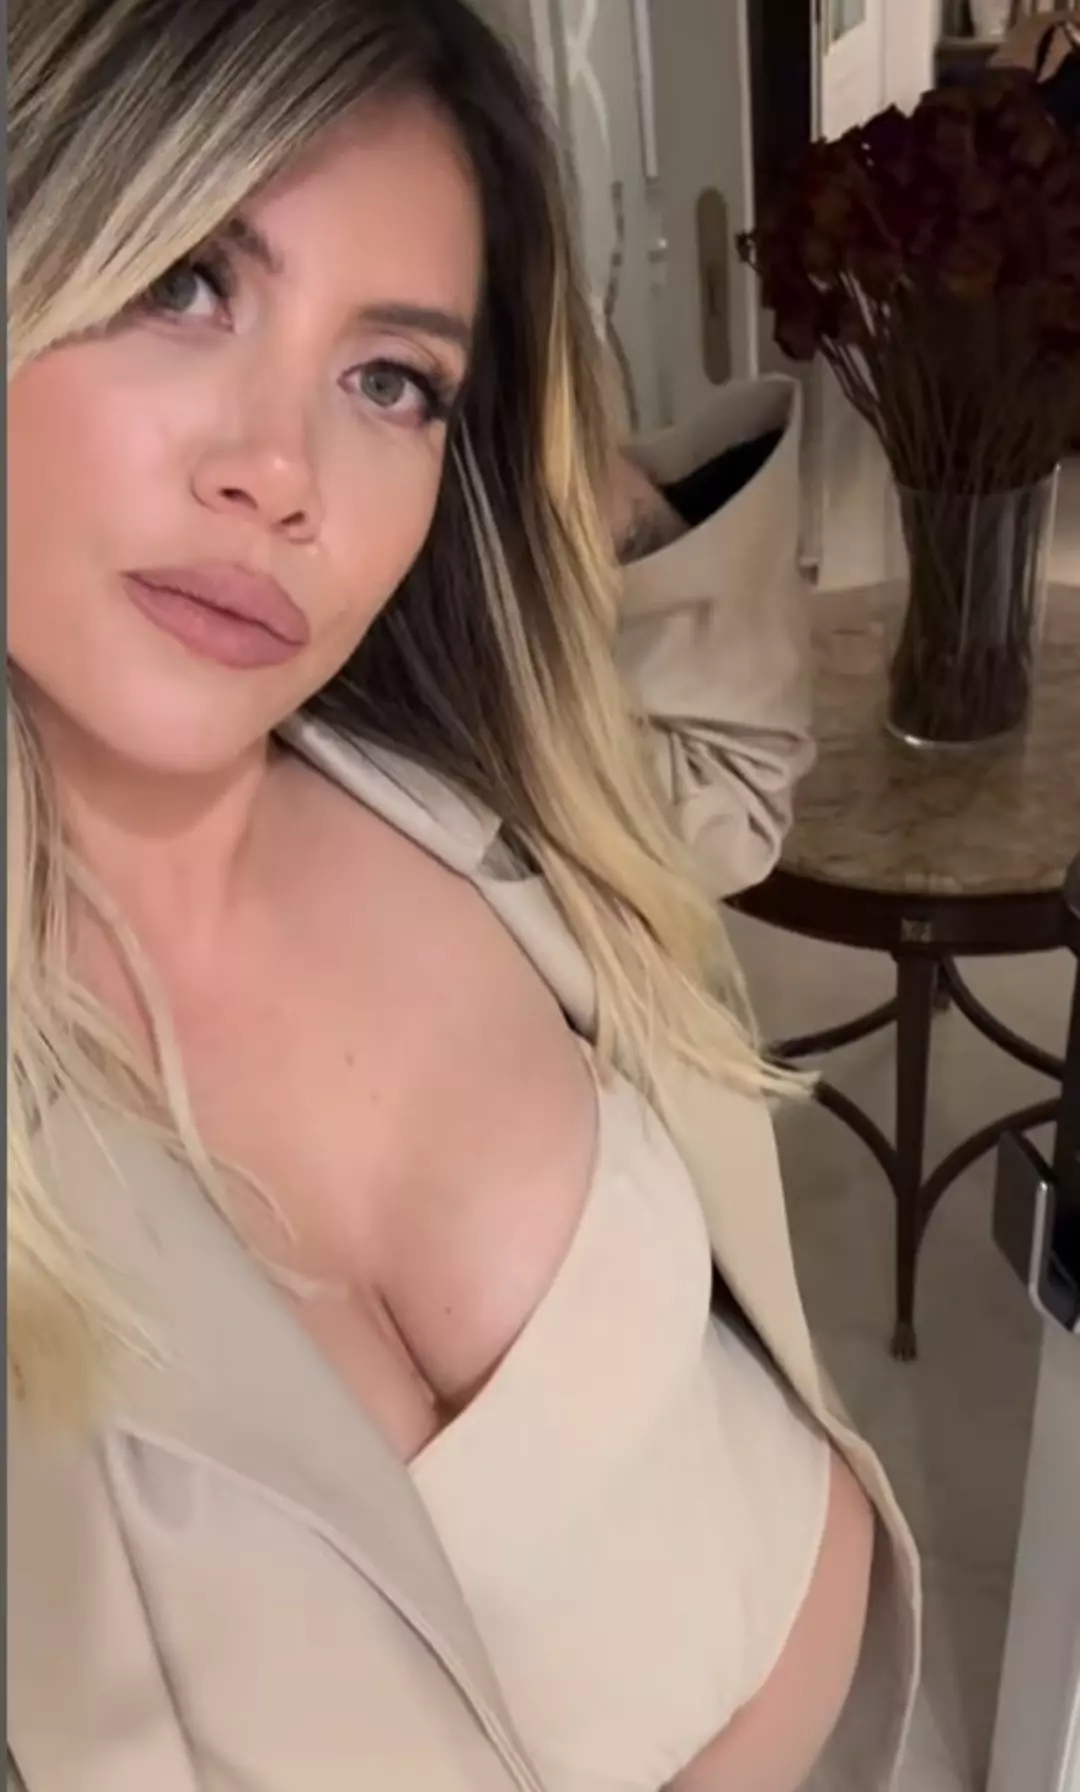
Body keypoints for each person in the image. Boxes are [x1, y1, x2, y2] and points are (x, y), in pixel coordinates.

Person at [6, 3, 920, 1790]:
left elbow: (732, 779)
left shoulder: (455, 794)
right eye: (187, 285)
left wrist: (579, 484)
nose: (281, 476)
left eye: (391, 381)